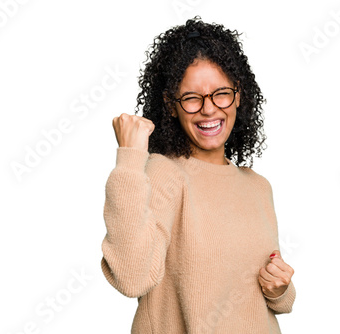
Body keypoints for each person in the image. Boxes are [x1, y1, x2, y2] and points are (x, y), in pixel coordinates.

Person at [100, 16, 296, 333]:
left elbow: (271, 294)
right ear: (171, 106)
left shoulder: (258, 187)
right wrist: (130, 158)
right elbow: (131, 276)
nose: (208, 109)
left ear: (239, 95)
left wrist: (281, 289)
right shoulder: (164, 173)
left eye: (221, 93)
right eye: (192, 98)